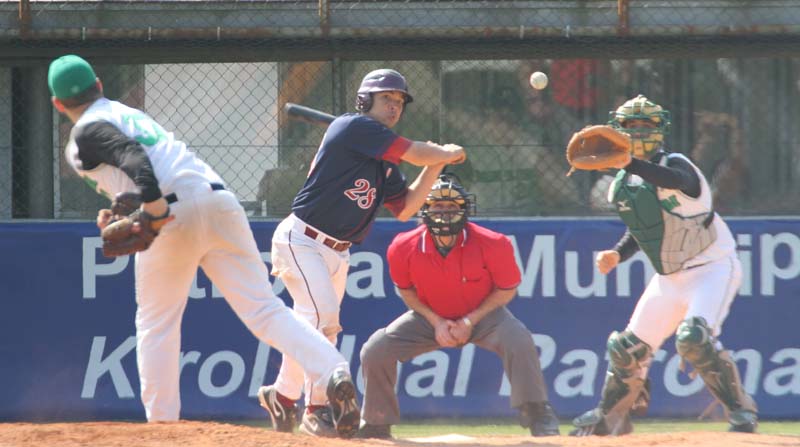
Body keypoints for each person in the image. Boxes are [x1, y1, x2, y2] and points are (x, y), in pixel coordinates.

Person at [48, 54, 360, 436]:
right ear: (98, 83)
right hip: (218, 201)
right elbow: (146, 166)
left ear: (58, 104)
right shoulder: (123, 111)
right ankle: (333, 369)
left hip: (172, 215)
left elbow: (134, 159)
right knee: (264, 309)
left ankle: (163, 426)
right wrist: (122, 206)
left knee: (156, 324)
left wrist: (155, 208)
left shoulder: (84, 132)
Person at [257, 68, 467, 437]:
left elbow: (405, 208)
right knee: (322, 318)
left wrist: (436, 164)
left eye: (399, 101)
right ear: (365, 100)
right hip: (302, 239)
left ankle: (283, 396)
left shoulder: (383, 157)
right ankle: (317, 408)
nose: (394, 107)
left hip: (339, 251)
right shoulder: (354, 127)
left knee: (315, 327)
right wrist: (441, 152)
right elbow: (415, 152)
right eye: (387, 99)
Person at [570, 95, 758, 436]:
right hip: (669, 277)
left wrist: (629, 162)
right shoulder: (622, 184)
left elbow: (673, 181)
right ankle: (610, 418)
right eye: (630, 126)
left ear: (661, 131)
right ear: (618, 132)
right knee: (626, 350)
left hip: (712, 266)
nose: (639, 132)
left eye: (646, 126)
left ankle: (741, 413)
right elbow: (644, 227)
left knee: (695, 339)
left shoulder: (678, 164)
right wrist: (617, 253)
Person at [356, 174, 560, 439]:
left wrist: (469, 321)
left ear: (465, 211)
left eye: (452, 207)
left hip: (484, 315)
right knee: (376, 348)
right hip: (429, 318)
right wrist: (436, 322)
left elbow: (507, 289)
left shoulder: (494, 243)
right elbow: (405, 290)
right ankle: (376, 422)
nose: (444, 213)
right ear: (425, 211)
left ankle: (538, 413)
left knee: (519, 338)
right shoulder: (402, 246)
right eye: (438, 207)